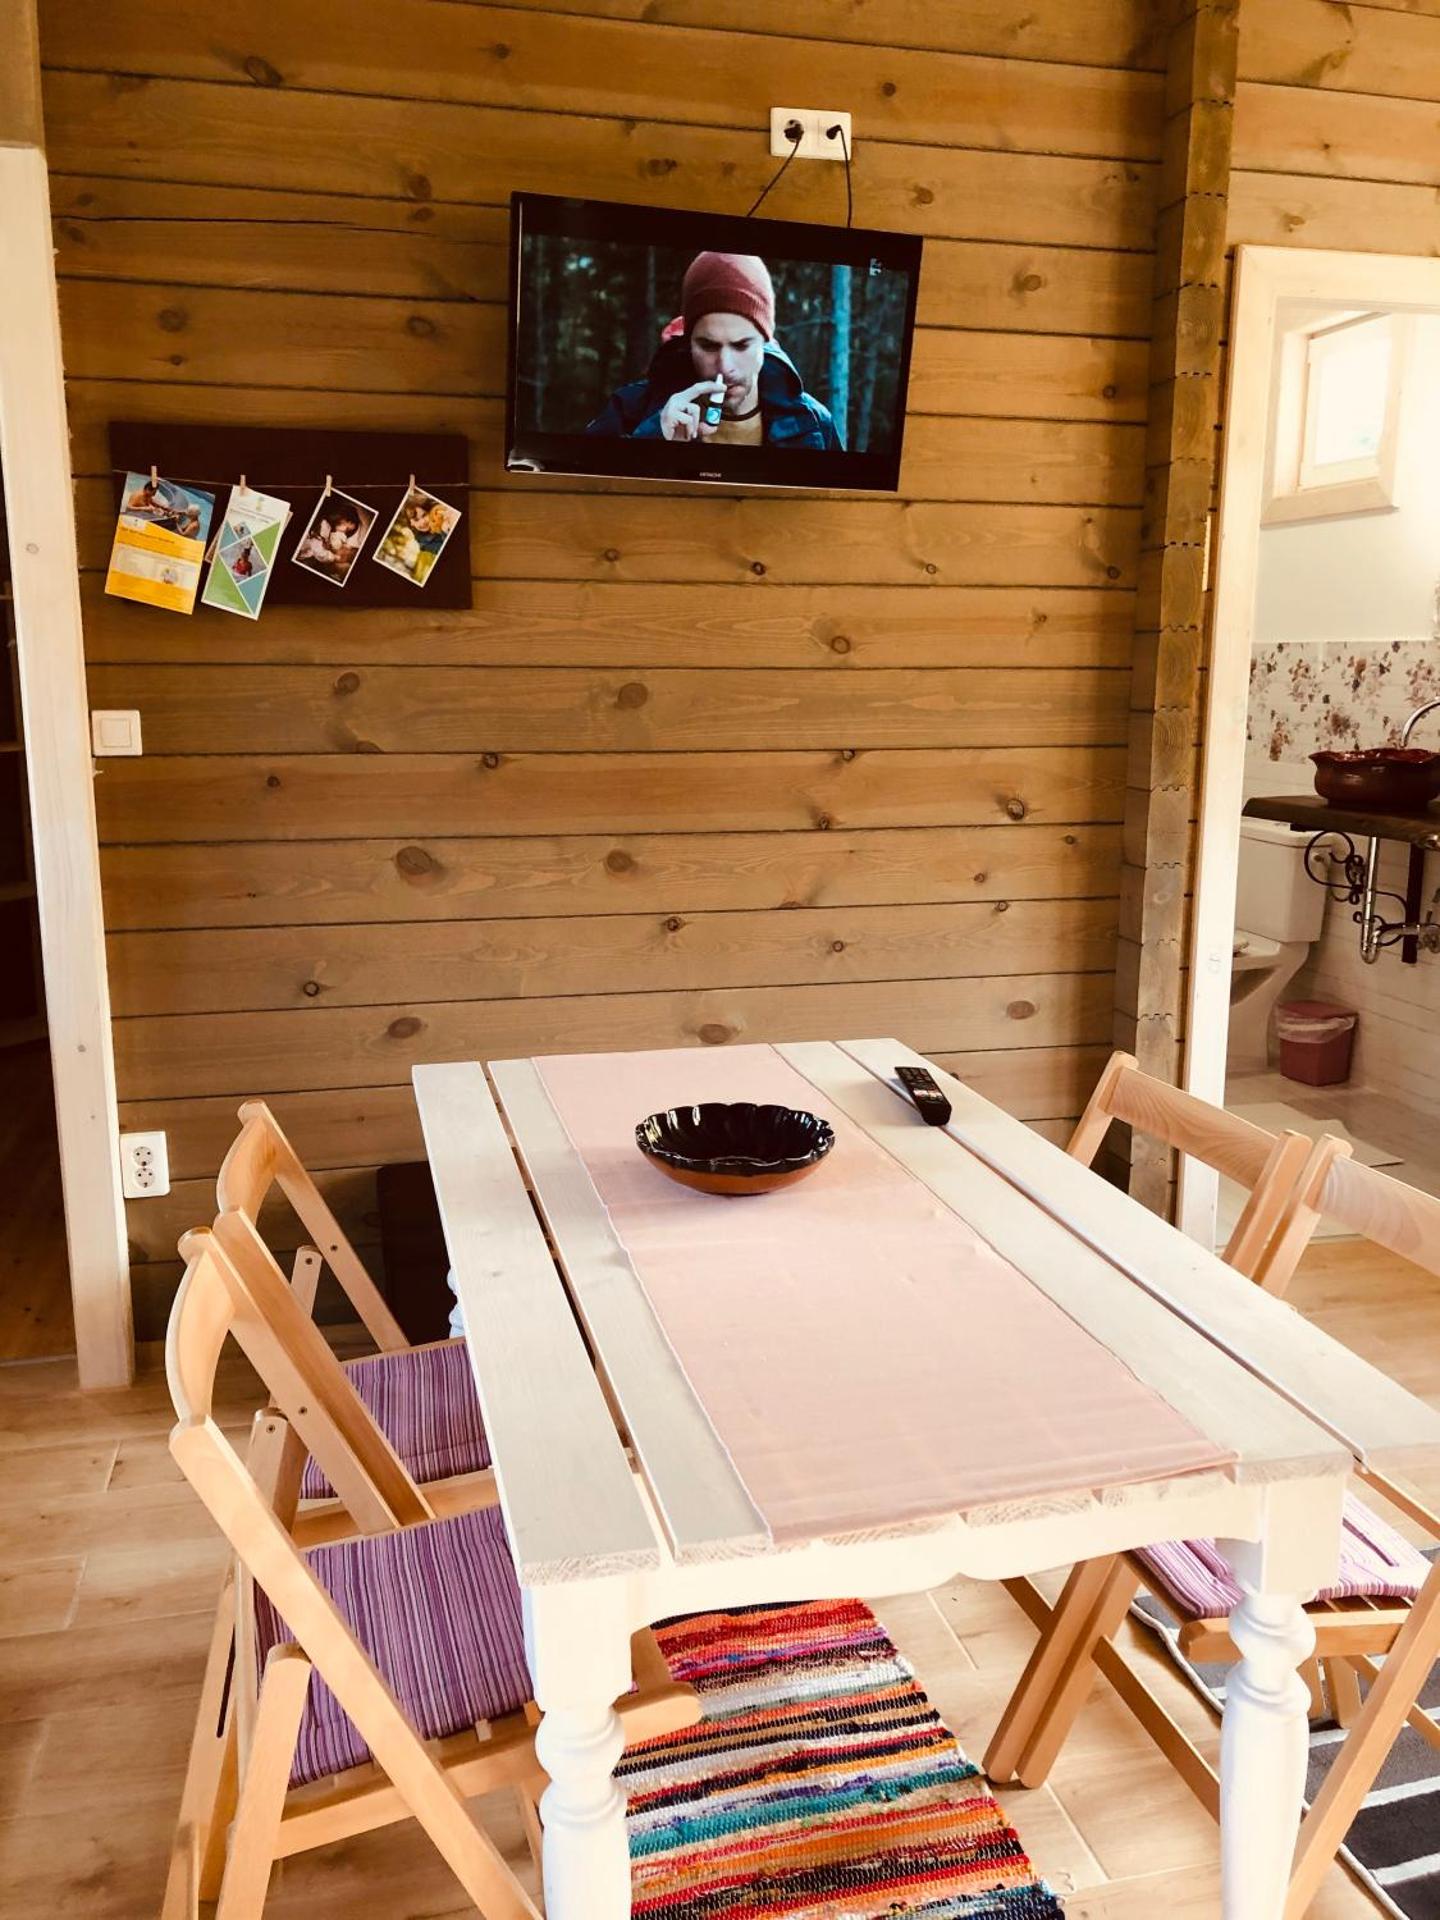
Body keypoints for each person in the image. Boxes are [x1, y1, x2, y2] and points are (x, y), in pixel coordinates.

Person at [586, 251, 843, 450]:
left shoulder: (813, 423)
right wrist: (651, 442)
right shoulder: (631, 409)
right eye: (708, 346)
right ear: (689, 342)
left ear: (765, 343)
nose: (725, 366)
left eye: (741, 345)